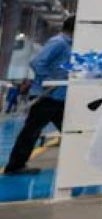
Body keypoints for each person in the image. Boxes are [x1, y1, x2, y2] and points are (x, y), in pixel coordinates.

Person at [3, 17, 73, 176]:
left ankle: (16, 165)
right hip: (46, 97)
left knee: (70, 129)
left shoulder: (67, 44)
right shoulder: (59, 43)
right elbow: (37, 62)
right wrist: (49, 80)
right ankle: (15, 166)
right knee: (31, 131)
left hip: (58, 97)